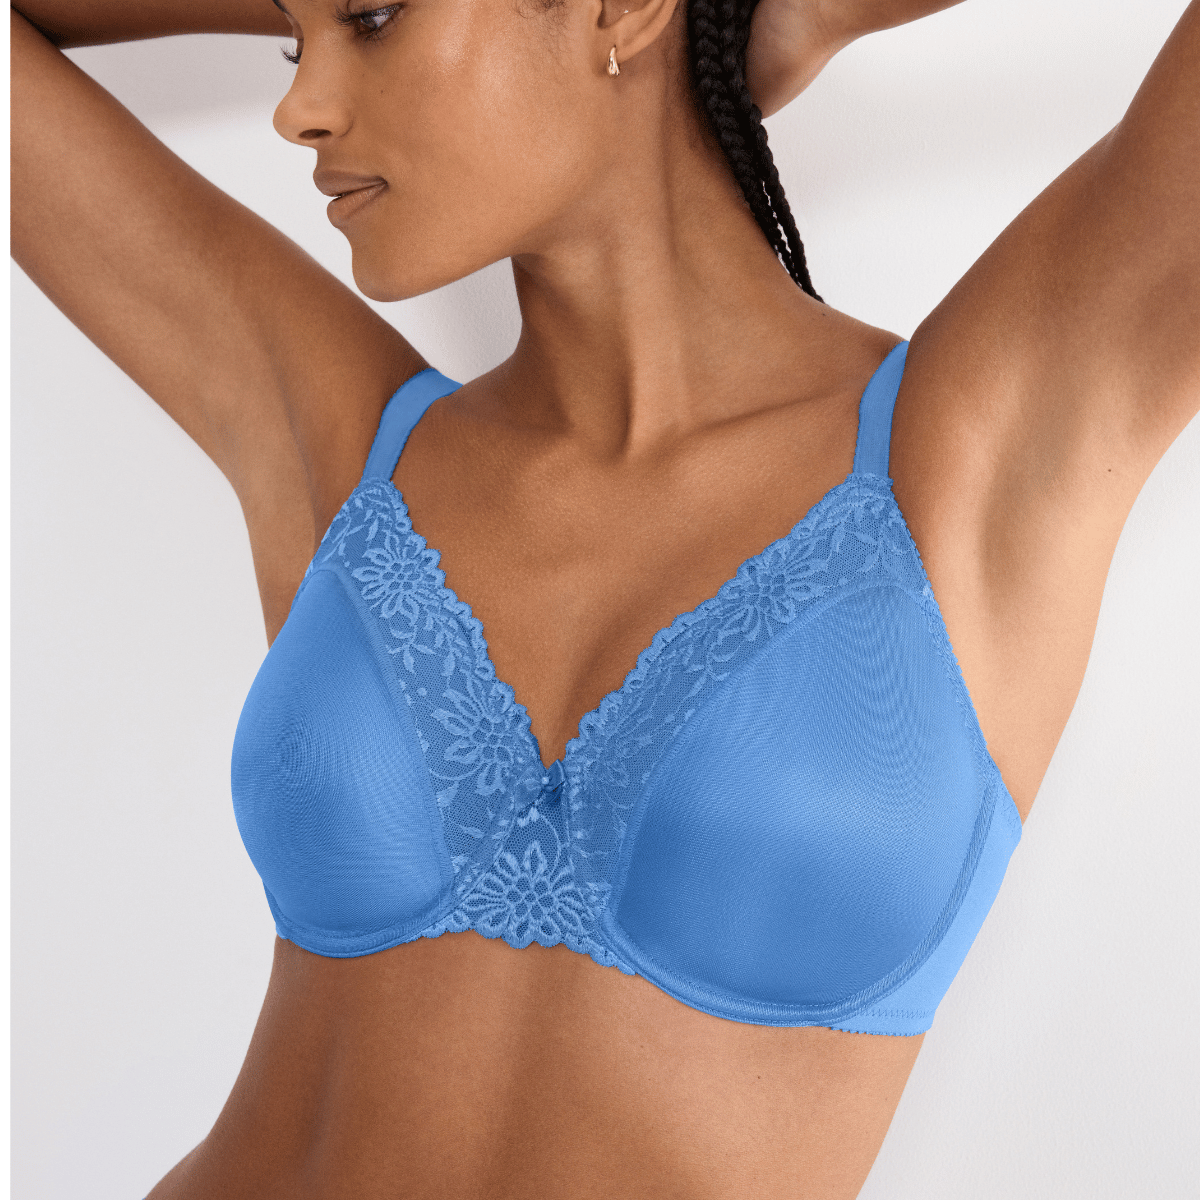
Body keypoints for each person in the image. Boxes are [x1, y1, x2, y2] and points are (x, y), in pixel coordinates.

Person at [10, 0, 1199, 1196]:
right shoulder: (344, 445)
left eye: (370, 19)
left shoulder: (972, 453)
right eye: (293, 36)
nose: (298, 106)